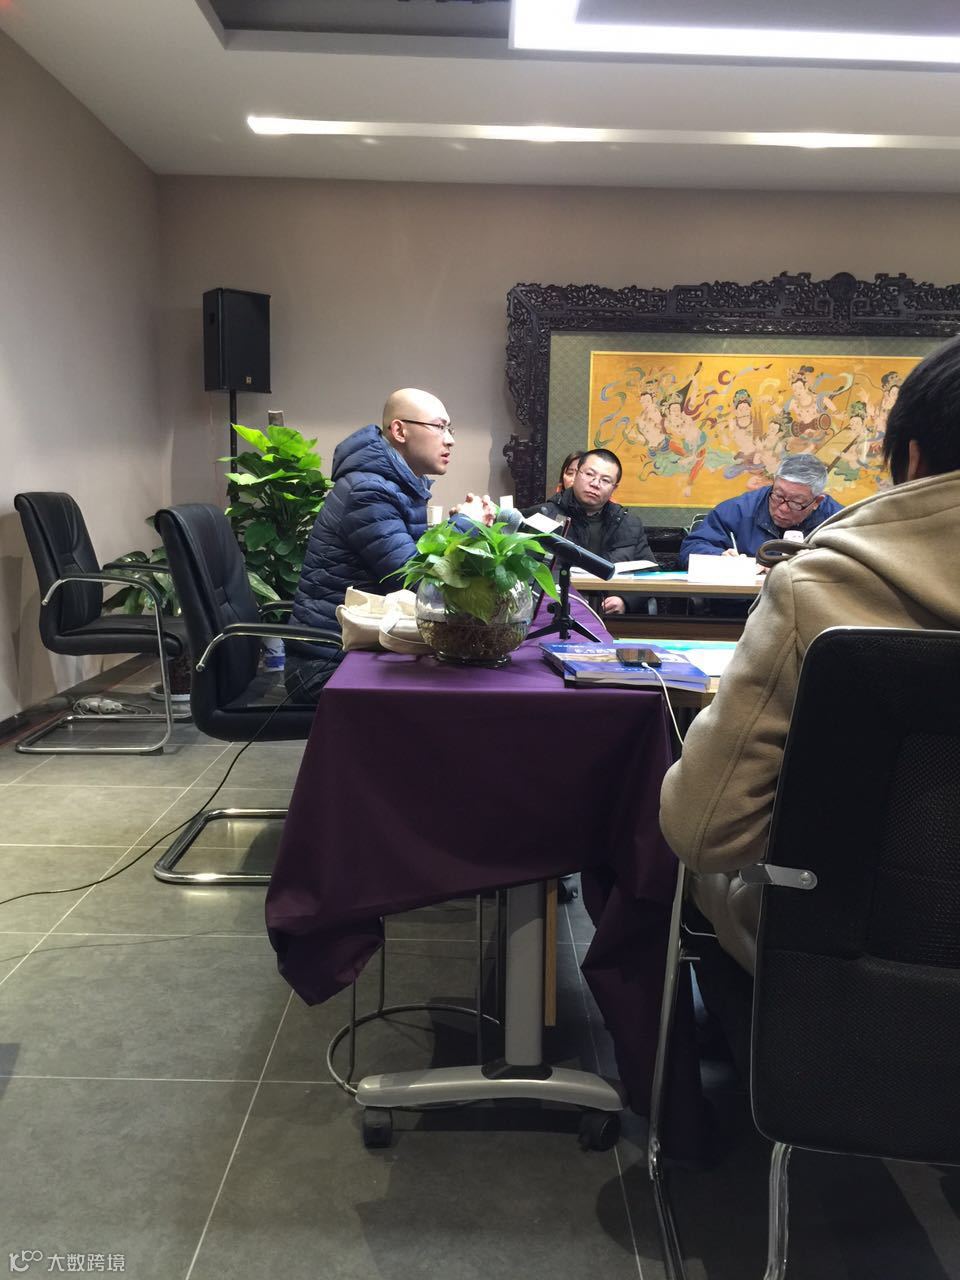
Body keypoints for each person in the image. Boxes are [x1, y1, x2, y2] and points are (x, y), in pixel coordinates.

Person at [660, 335, 960, 987]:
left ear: (911, 456)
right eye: (783, 499)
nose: (789, 509)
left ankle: (711, 1041)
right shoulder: (734, 514)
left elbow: (705, 829)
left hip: (852, 943)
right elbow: (695, 549)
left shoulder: (817, 586)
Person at [286, 388, 454, 699]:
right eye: (439, 427)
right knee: (453, 697)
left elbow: (417, 564)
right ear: (399, 430)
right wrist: (465, 528)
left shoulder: (399, 487)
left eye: (449, 429)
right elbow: (414, 582)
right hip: (325, 664)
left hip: (359, 647)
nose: (449, 440)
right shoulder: (368, 492)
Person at [534, 447, 656, 616]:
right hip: (554, 611)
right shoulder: (545, 516)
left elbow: (650, 573)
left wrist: (625, 600)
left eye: (605, 480)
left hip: (610, 616)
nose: (595, 484)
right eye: (589, 474)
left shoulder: (629, 524)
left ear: (614, 487)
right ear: (577, 474)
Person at [678, 454, 842, 568]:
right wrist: (720, 558)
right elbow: (690, 550)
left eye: (796, 502)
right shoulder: (738, 510)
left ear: (817, 502)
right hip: (742, 604)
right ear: (773, 483)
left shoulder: (838, 521)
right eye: (778, 496)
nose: (783, 508)